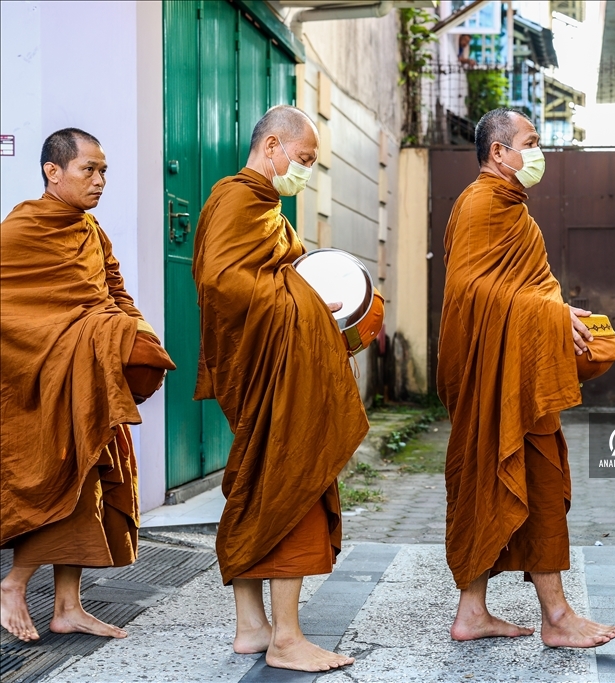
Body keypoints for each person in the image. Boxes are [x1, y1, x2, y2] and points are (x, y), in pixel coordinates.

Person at [437, 107, 615, 648]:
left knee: (524, 484)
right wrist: (547, 315)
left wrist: (559, 316)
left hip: (521, 373)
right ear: (500, 152)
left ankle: (474, 613)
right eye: (532, 142)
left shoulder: (514, 210)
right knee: (495, 483)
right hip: (490, 378)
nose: (539, 153)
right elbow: (468, 295)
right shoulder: (479, 205)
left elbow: (524, 287)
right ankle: (556, 618)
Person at [192, 105, 368, 672]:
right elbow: (221, 281)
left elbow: (277, 275)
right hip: (266, 370)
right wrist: (304, 302)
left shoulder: (263, 205)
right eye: (304, 158)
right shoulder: (239, 198)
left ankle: (252, 627)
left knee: (252, 489)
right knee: (293, 482)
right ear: (272, 146)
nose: (306, 171)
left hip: (270, 366)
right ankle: (287, 639)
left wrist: (309, 296)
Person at [1, 128, 174, 642]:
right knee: (61, 478)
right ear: (53, 172)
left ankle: (67, 607)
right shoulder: (20, 231)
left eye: (104, 172)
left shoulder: (91, 232)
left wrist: (136, 339)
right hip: (39, 381)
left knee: (91, 479)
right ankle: (13, 585)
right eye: (89, 170)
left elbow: (115, 293)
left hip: (90, 376)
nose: (99, 181)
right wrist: (68, 339)